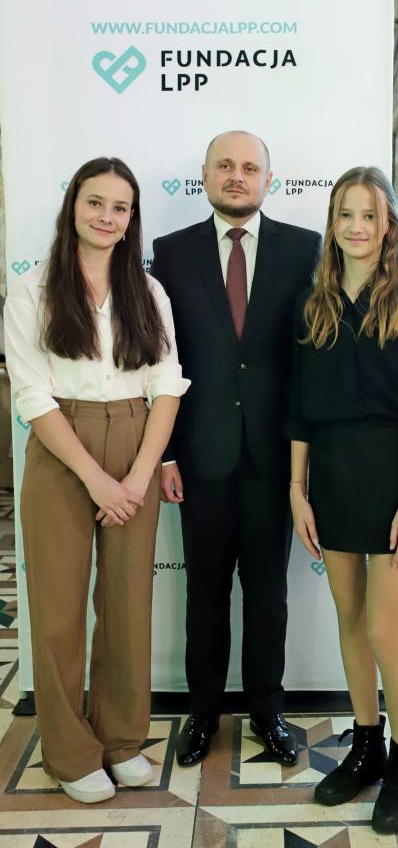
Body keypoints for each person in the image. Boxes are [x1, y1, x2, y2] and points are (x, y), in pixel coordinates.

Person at [4, 157, 189, 804]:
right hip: (62, 447)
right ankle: (69, 752)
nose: (107, 217)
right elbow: (31, 395)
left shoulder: (149, 291)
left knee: (128, 605)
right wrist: (96, 480)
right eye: (95, 203)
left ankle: (122, 739)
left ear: (132, 218)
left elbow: (167, 385)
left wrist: (137, 475)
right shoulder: (32, 290)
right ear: (73, 207)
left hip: (137, 441)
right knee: (57, 610)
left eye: (120, 207)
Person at [151, 130, 321, 768]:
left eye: (250, 167)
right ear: (205, 175)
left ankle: (267, 712)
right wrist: (167, 453)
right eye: (225, 165)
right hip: (201, 456)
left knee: (268, 594)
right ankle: (202, 713)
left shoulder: (305, 248)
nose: (237, 176)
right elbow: (160, 358)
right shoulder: (171, 253)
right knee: (205, 592)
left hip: (275, 458)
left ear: (268, 181)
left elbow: (313, 356)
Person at [288, 166, 398, 834]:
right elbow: (299, 409)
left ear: (389, 226)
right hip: (330, 479)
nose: (356, 227)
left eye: (369, 215)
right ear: (333, 224)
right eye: (345, 214)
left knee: (384, 627)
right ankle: (367, 745)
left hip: (391, 480)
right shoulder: (313, 303)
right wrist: (297, 490)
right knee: (349, 619)